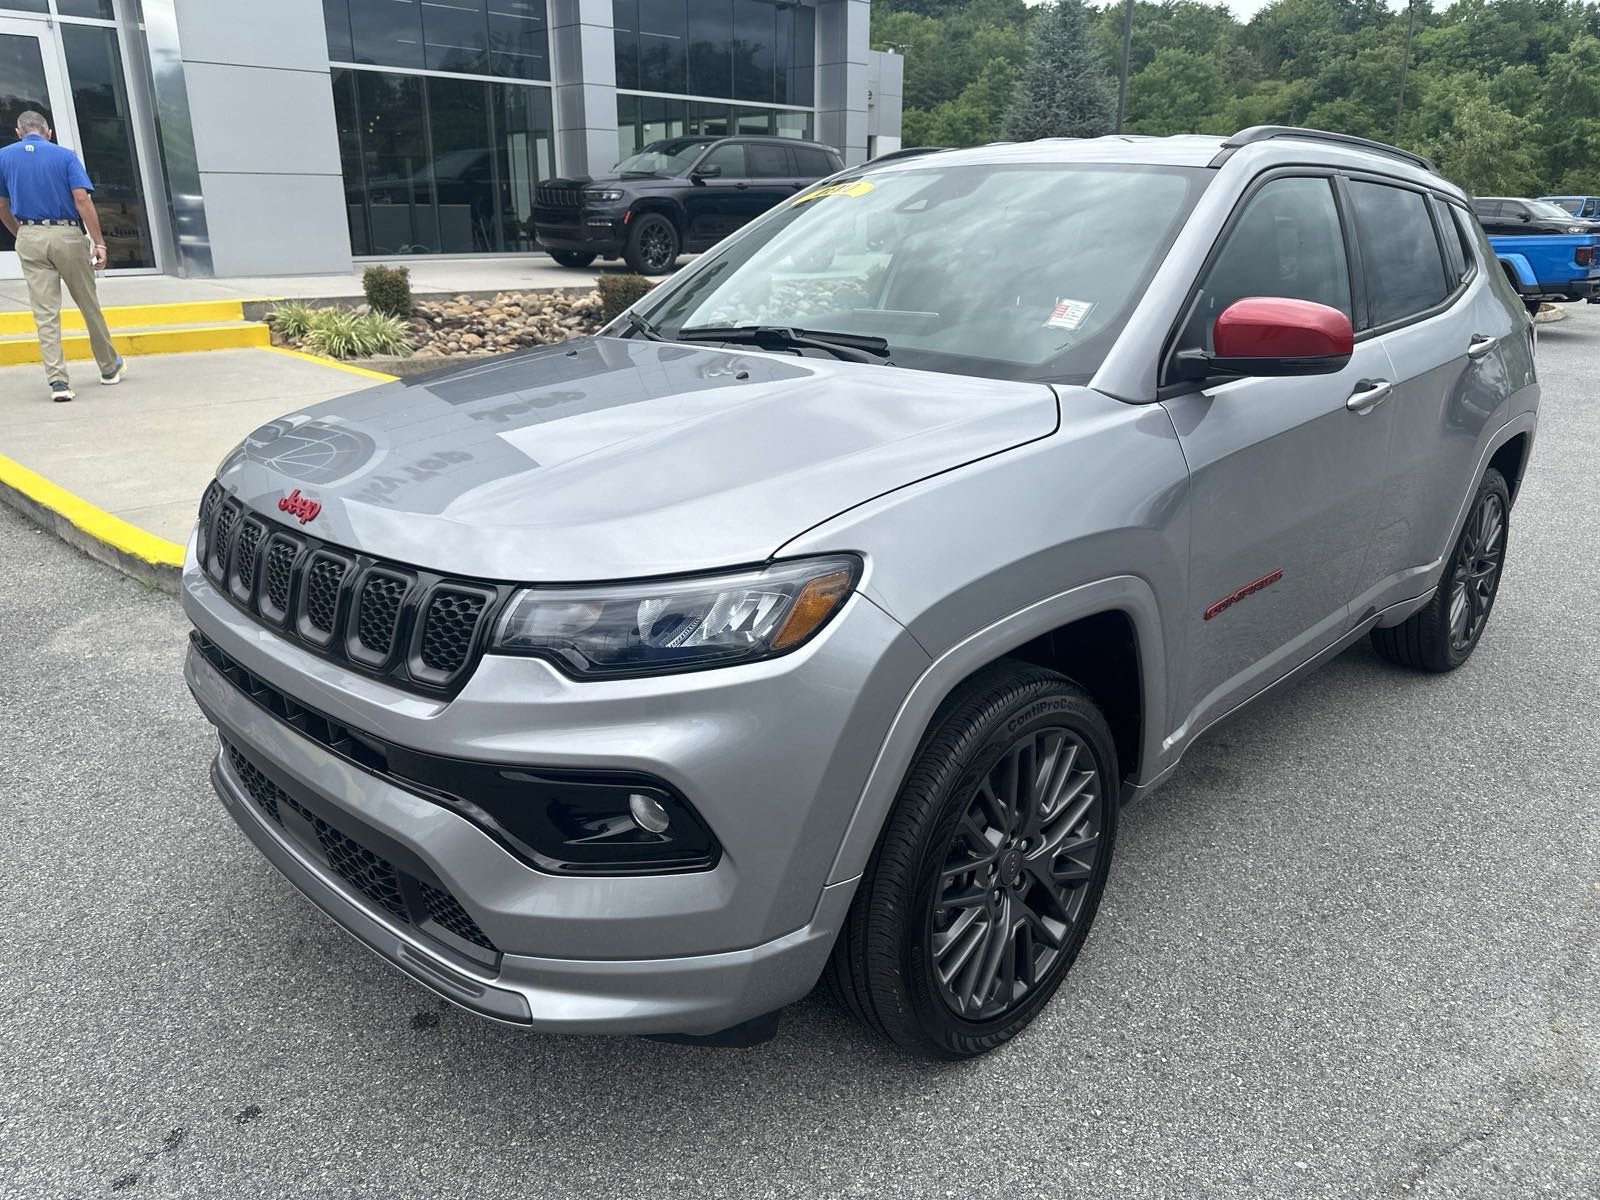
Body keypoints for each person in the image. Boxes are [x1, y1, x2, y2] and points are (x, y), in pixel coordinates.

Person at [0, 110, 124, 402]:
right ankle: (108, 367)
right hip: (67, 234)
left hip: (29, 233)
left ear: (19, 132)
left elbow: (2, 206)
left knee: (45, 313)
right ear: (49, 132)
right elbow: (82, 199)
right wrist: (99, 242)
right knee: (88, 303)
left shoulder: (4, 157)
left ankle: (58, 382)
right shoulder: (65, 156)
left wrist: (22, 234)